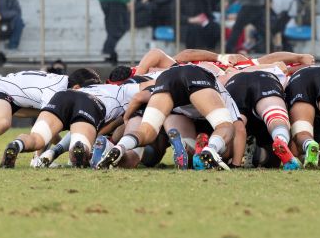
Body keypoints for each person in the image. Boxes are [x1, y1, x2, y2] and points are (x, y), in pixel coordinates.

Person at [97, 63, 237, 170]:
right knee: (225, 126)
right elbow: (239, 127)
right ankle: (211, 149)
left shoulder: (156, 74)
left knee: (146, 132)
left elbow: (139, 97)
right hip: (197, 76)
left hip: (166, 77)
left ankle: (120, 146)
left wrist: (126, 118)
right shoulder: (224, 91)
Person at [0, 69, 148, 168]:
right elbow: (150, 86)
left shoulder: (79, 88)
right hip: (90, 103)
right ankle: (79, 148)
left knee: (36, 138)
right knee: (81, 145)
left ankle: (17, 144)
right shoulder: (122, 90)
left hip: (62, 96)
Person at [0, 68, 69, 168]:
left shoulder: (62, 83)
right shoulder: (55, 91)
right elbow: (50, 128)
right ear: (76, 87)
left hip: (18, 97)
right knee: (2, 122)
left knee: (50, 119)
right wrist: (65, 147)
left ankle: (38, 160)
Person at [223, 65, 301, 170]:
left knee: (235, 127)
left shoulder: (225, 65)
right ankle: (281, 139)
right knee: (275, 116)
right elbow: (284, 65)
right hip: (266, 79)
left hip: (234, 82)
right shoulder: (263, 64)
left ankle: (235, 161)